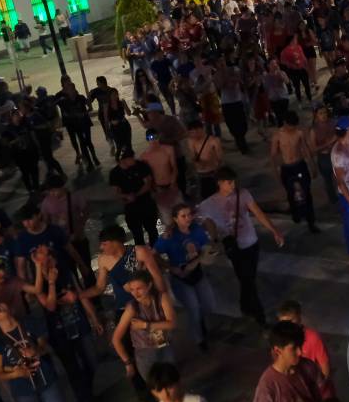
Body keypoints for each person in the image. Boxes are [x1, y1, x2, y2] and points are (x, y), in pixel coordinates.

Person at [197, 165, 285, 326]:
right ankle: (260, 316)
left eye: (234, 182)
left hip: (251, 242)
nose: (233, 186)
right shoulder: (209, 204)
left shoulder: (243, 194)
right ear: (220, 183)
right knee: (247, 280)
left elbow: (258, 213)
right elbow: (202, 221)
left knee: (247, 279)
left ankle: (245, 305)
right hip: (233, 247)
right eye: (229, 183)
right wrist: (213, 240)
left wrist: (274, 230)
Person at [155, 202, 217, 349]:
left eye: (189, 214)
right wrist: (170, 267)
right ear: (175, 219)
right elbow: (154, 254)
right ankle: (199, 339)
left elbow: (207, 248)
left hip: (197, 273)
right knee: (193, 309)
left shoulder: (196, 230)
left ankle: (200, 323)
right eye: (183, 216)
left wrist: (206, 254)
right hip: (180, 278)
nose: (188, 218)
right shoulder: (168, 237)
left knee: (209, 305)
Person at [112, 270, 178, 385]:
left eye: (139, 288)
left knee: (173, 384)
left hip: (165, 347)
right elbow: (116, 339)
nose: (135, 293)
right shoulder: (132, 308)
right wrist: (127, 363)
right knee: (158, 389)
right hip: (146, 355)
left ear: (149, 285)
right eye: (132, 289)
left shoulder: (161, 298)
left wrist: (146, 325)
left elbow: (172, 323)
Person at [270, 110, 320, 233]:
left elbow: (305, 149)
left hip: (299, 165)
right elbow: (273, 155)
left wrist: (312, 165)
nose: (292, 128)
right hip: (287, 168)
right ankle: (295, 212)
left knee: (306, 193)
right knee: (291, 193)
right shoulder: (277, 135)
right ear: (285, 123)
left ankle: (311, 221)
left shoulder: (299, 133)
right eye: (290, 126)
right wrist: (276, 172)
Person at [109, 148, 161, 246]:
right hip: (131, 208)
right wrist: (126, 196)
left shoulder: (141, 165)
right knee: (137, 234)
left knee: (152, 230)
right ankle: (142, 256)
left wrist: (135, 195)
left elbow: (148, 183)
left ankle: (155, 253)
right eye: (130, 158)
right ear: (122, 160)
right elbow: (115, 192)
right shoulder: (115, 173)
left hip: (146, 204)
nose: (133, 159)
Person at [275, 300, 330, 379]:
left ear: (299, 318)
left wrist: (322, 386)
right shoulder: (279, 340)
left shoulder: (313, 338)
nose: (288, 326)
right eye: (284, 323)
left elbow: (325, 367)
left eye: (291, 321)